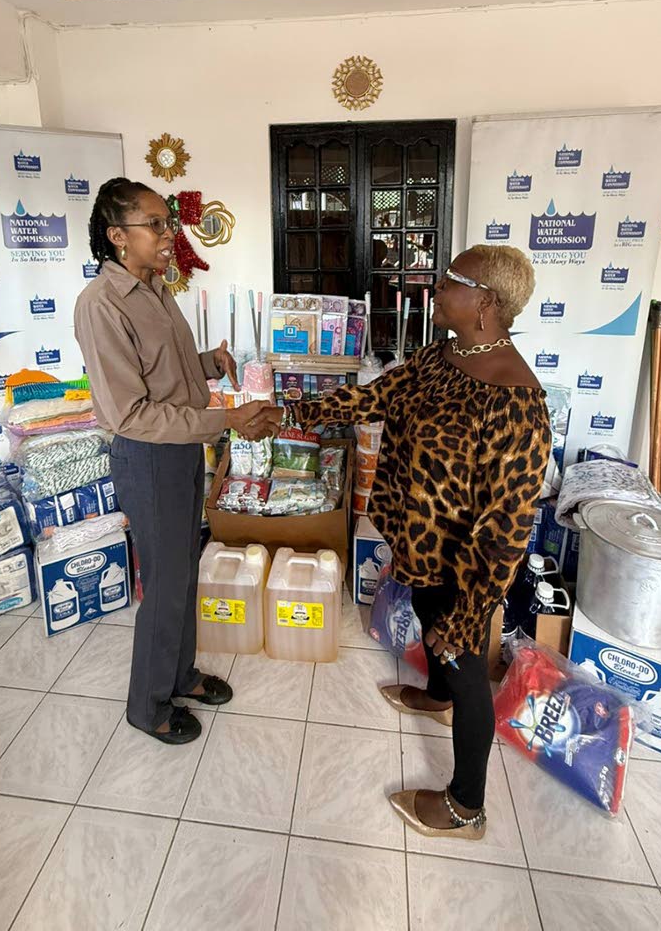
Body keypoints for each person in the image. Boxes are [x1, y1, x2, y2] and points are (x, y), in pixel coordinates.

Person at [277, 244, 552, 839]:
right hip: (422, 544)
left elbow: (506, 530)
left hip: (464, 571)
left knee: (465, 663)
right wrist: (298, 411)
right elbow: (381, 394)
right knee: (429, 624)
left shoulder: (517, 402)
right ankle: (435, 695)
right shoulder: (448, 353)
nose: (436, 289)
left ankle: (465, 806)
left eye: (449, 280)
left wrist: (471, 611)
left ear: (484, 302)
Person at [74, 178, 275, 746]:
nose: (169, 236)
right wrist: (227, 421)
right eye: (155, 225)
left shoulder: (157, 289)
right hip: (148, 457)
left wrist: (209, 364)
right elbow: (132, 412)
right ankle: (149, 704)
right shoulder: (101, 305)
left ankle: (181, 674)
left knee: (185, 570)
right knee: (164, 584)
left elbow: (167, 373)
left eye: (168, 223)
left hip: (183, 448)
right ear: (118, 236)